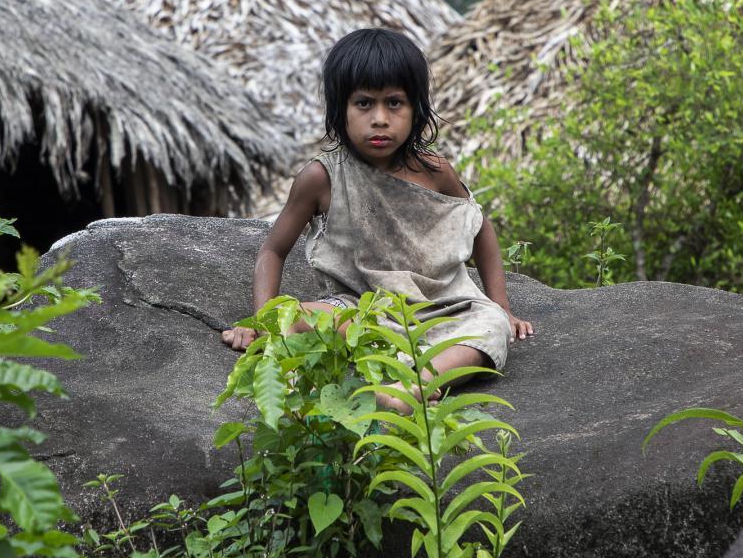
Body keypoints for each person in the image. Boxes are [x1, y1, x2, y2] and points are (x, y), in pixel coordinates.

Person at [221, 28, 532, 403]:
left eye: (395, 103)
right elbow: (273, 251)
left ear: (416, 108)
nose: (380, 119)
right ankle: (396, 376)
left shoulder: (433, 170)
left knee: (491, 325)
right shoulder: (322, 177)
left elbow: (479, 226)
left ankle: (410, 389)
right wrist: (262, 322)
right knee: (296, 316)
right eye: (364, 104)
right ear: (340, 108)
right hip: (360, 311)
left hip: (443, 309)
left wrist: (502, 305)